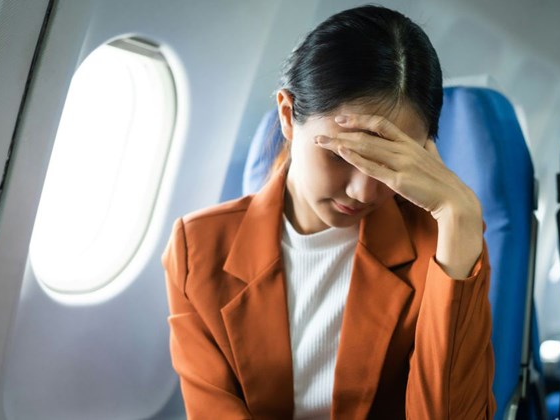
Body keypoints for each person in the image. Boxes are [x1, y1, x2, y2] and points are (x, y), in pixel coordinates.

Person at [163, 5, 495, 419]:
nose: (363, 190)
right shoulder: (198, 250)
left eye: (389, 163)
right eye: (342, 155)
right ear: (288, 115)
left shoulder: (442, 244)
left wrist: (459, 215)